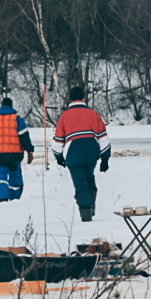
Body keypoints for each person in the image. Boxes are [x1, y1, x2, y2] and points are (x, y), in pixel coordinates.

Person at [51, 85, 110, 221]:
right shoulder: (93, 114)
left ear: (70, 99)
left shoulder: (64, 116)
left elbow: (58, 140)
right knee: (89, 177)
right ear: (83, 98)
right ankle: (91, 207)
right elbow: (103, 138)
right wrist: (105, 159)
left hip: (73, 152)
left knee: (80, 182)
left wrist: (58, 156)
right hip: (91, 150)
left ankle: (86, 215)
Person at [0, 95, 34, 201]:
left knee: (1, 175)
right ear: (11, 106)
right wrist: (29, 151)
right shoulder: (17, 119)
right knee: (15, 175)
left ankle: (2, 198)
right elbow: (24, 137)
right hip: (14, 155)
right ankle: (14, 197)